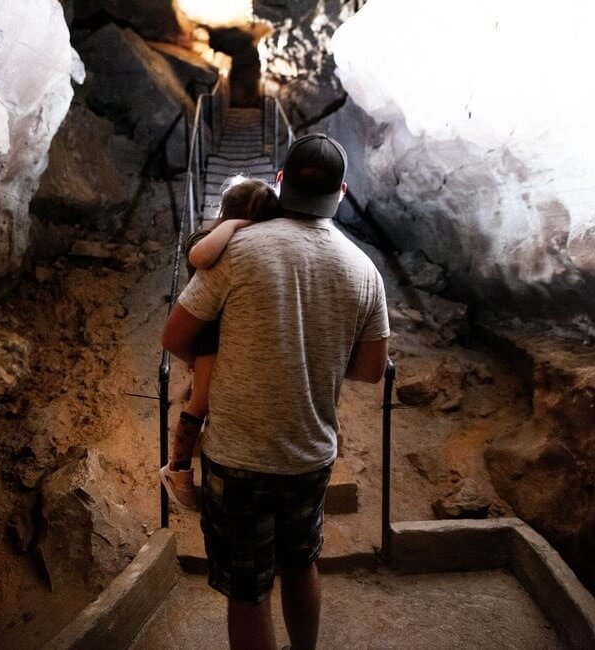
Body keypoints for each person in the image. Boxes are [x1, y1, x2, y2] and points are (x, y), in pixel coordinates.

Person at [162, 133, 390, 650]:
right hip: (310, 453)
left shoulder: (239, 249)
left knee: (247, 590)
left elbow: (175, 335)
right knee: (300, 563)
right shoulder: (363, 270)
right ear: (342, 190)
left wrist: (223, 369)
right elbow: (373, 369)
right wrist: (315, 357)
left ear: (281, 181)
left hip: (238, 455)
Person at [159, 176, 281, 511]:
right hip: (209, 334)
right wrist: (236, 226)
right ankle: (178, 470)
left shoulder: (258, 245)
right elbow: (199, 256)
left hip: (235, 330)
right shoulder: (209, 238)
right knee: (200, 403)